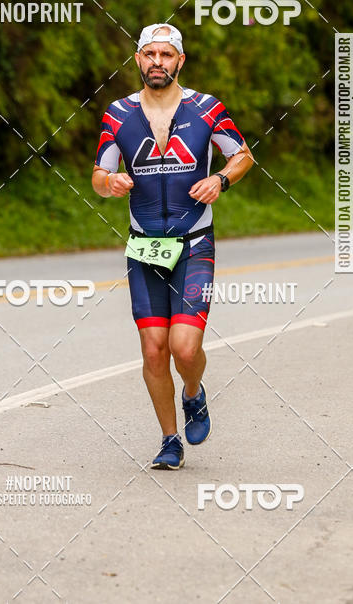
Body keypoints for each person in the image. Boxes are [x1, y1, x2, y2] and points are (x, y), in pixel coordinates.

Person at [92, 24, 254, 469]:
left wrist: (220, 179)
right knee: (153, 349)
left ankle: (193, 392)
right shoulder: (117, 114)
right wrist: (111, 182)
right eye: (149, 54)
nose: (157, 62)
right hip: (144, 246)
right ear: (138, 59)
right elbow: (98, 176)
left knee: (185, 348)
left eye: (166, 54)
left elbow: (242, 155)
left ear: (180, 61)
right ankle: (169, 439)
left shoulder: (207, 109)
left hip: (194, 243)